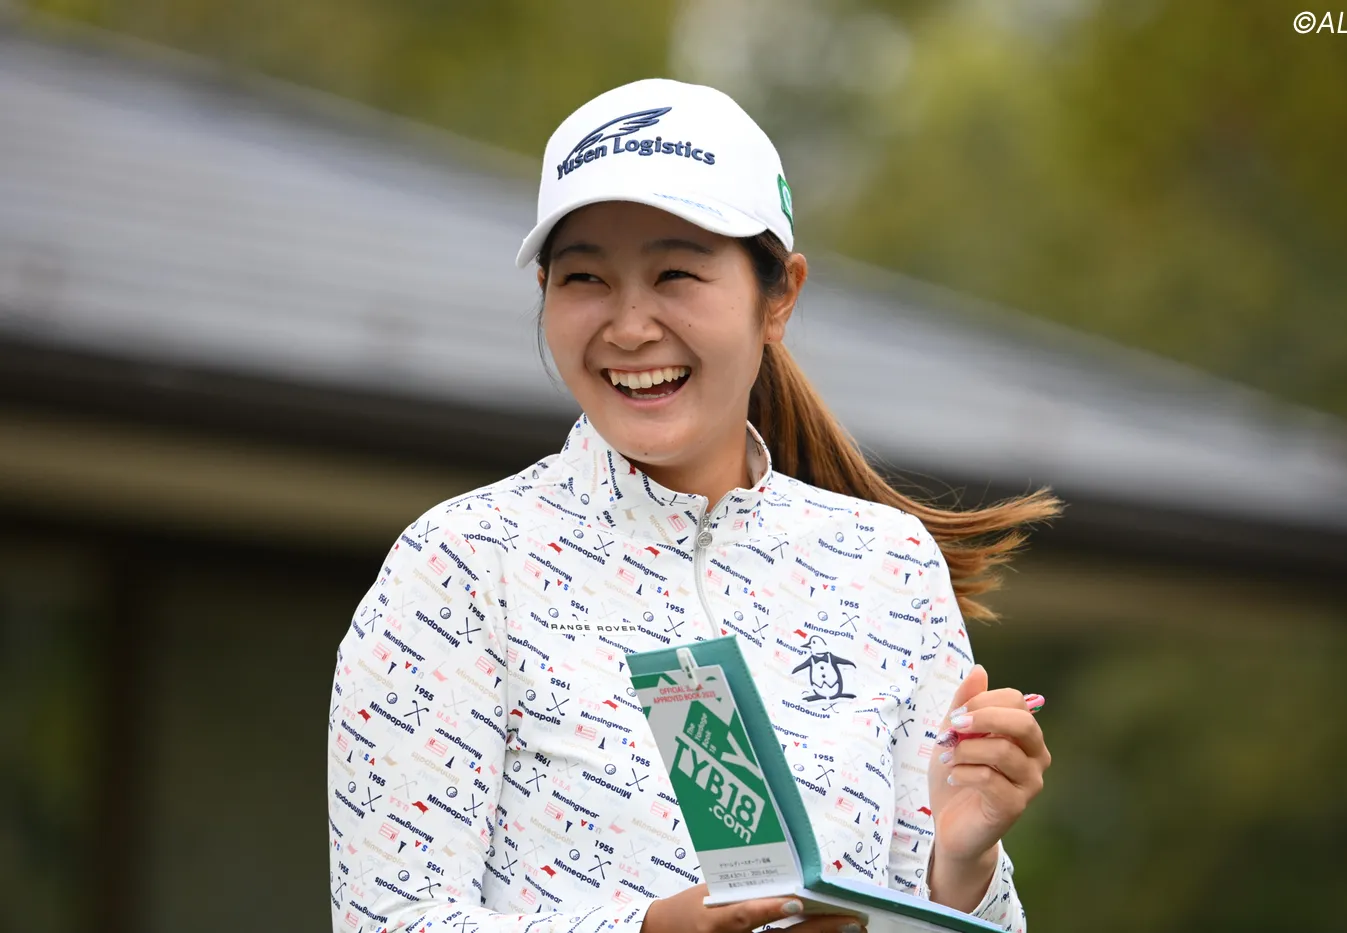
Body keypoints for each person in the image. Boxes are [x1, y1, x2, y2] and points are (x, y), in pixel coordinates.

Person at [327, 78, 1059, 933]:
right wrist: (648, 931)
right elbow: (387, 920)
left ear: (779, 296)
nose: (630, 326)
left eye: (675, 273)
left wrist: (962, 869)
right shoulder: (459, 565)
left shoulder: (888, 565)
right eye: (585, 277)